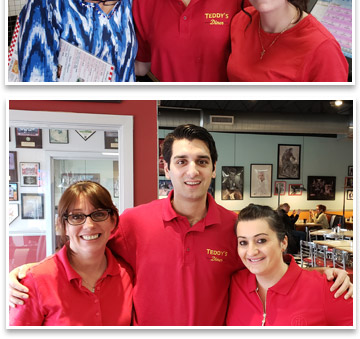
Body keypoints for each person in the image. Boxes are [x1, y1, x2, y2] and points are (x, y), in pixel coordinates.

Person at [9, 125, 352, 326]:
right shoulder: (133, 222)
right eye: (182, 161)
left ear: (215, 168)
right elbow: (88, 246)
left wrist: (322, 276)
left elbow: (263, 265)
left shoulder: (235, 229)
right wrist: (31, 271)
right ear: (166, 167)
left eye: (202, 161)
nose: (193, 171)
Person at [9, 181, 133, 326]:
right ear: (63, 226)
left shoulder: (127, 274)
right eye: (76, 217)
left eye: (99, 214)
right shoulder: (34, 282)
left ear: (113, 221)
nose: (89, 225)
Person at [226, 204, 353, 326]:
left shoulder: (327, 289)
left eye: (261, 240)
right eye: (243, 242)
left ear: (283, 243)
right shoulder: (233, 283)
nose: (251, 251)